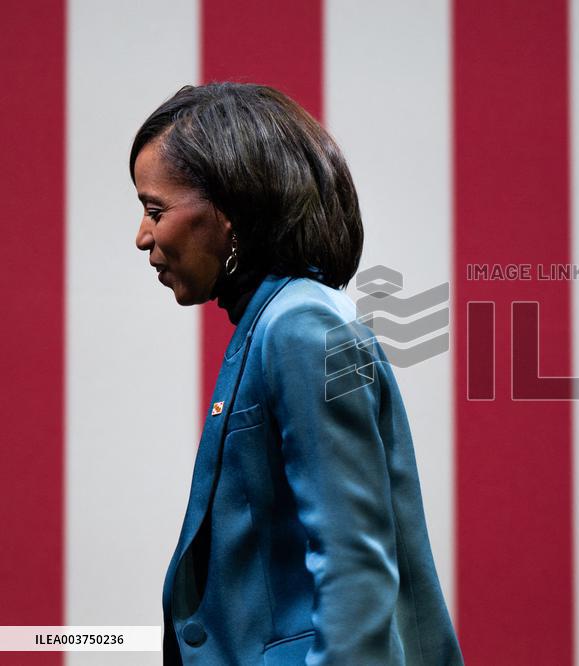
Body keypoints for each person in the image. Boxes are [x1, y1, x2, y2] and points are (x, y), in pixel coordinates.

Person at [130, 82, 463, 665]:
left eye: (156, 210)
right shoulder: (274, 322)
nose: (144, 236)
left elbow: (353, 561)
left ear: (231, 212)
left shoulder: (300, 323)